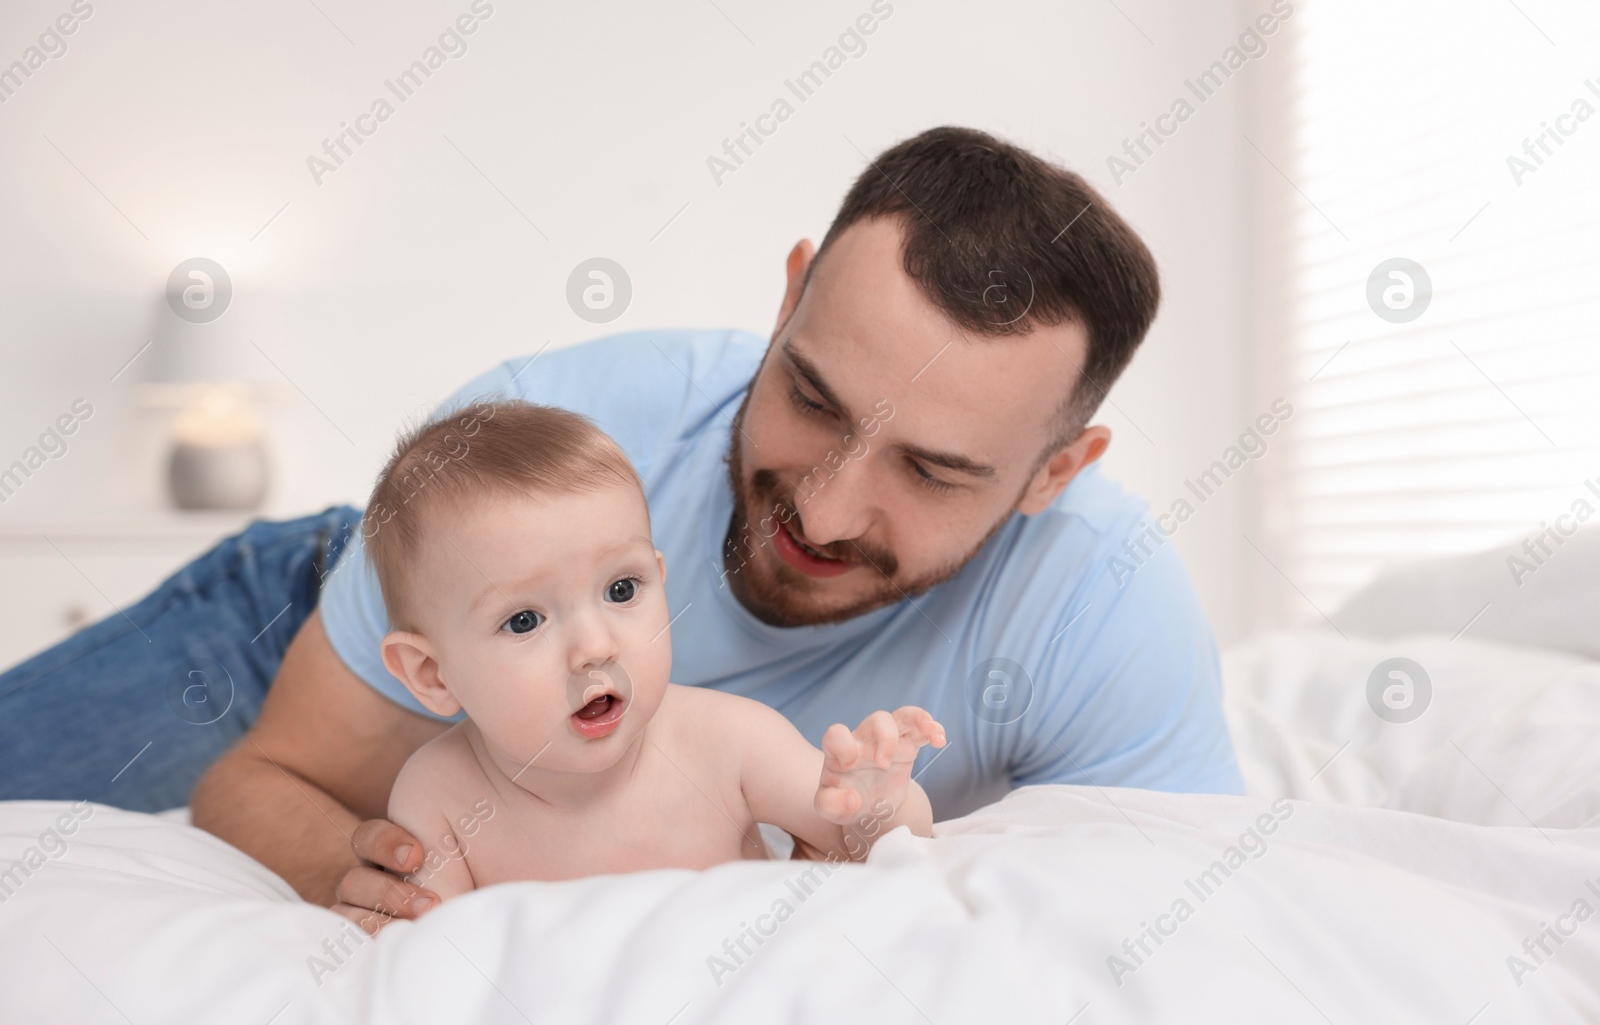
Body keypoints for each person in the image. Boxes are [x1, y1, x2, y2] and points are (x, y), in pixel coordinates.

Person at [0, 126, 1241, 935]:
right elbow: (266, 776)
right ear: (789, 290)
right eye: (810, 396)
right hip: (344, 587)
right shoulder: (558, 425)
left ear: (1053, 471)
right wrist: (364, 864)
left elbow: (1178, 928)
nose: (824, 504)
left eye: (932, 469)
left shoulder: (1100, 604)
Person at [370, 401, 945, 899]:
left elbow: (870, 848)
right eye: (524, 620)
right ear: (432, 674)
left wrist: (877, 805)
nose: (594, 647)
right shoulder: (440, 796)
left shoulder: (730, 742)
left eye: (622, 590)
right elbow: (430, 968)